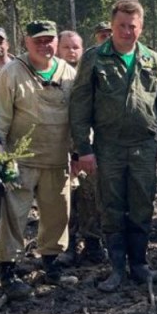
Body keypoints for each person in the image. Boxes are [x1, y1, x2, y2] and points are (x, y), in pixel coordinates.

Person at [70, 0, 157, 292]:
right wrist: (84, 149)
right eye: (121, 26)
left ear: (141, 27)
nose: (127, 32)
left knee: (142, 204)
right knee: (111, 206)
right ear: (112, 26)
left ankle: (139, 265)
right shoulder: (94, 57)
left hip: (143, 145)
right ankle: (116, 268)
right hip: (108, 146)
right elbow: (79, 106)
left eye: (133, 26)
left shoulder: (153, 59)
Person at [0, 20, 77, 296]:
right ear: (26, 42)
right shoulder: (11, 73)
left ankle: (51, 264)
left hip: (57, 159)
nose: (44, 45)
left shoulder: (68, 73)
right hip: (21, 160)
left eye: (49, 39)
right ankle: (7, 270)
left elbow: (77, 118)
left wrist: (77, 153)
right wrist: (0, 157)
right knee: (14, 216)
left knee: (57, 215)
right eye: (38, 40)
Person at [58, 29, 105, 266]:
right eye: (66, 47)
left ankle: (93, 241)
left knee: (91, 195)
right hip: (60, 147)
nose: (71, 51)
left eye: (75, 47)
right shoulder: (54, 75)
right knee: (66, 198)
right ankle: (67, 245)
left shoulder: (91, 72)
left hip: (88, 144)